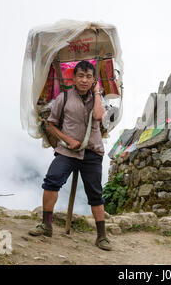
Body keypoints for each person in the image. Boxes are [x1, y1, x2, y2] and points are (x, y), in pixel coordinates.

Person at [28, 60, 112, 251]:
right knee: (52, 180)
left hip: (92, 151)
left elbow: (99, 116)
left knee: (95, 194)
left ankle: (102, 236)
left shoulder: (99, 99)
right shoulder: (63, 98)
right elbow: (51, 123)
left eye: (89, 77)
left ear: (93, 80)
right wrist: (67, 139)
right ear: (73, 78)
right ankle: (46, 225)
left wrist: (98, 92)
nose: (84, 80)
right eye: (80, 76)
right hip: (67, 150)